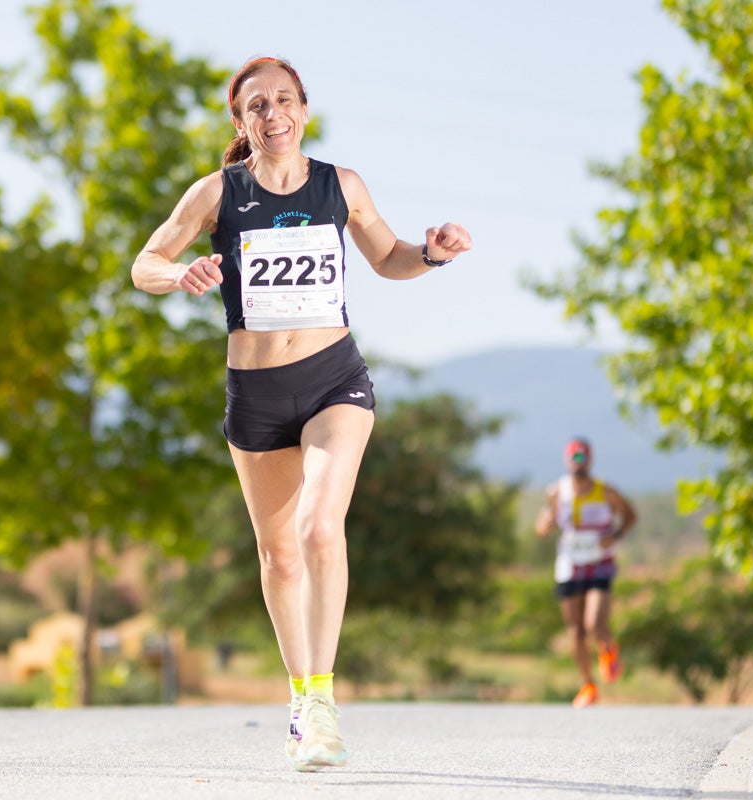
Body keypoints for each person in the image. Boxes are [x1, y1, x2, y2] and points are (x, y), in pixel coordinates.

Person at [132, 56, 472, 771]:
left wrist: (431, 254)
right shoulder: (216, 193)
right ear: (239, 122)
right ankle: (298, 696)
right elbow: (145, 262)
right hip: (255, 397)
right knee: (280, 555)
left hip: (332, 381)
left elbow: (388, 258)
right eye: (256, 105)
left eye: (284, 100)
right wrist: (178, 273)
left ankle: (321, 699)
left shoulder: (339, 185)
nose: (272, 114)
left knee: (321, 527)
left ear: (304, 110)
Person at [534, 437, 637, 707]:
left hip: (599, 563)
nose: (578, 462)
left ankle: (608, 650)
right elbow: (542, 529)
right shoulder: (557, 492)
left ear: (590, 459)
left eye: (582, 457)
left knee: (594, 623)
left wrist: (613, 537)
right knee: (576, 630)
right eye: (573, 457)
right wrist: (547, 520)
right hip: (569, 565)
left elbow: (630, 516)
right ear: (566, 460)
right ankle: (587, 685)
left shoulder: (605, 491)